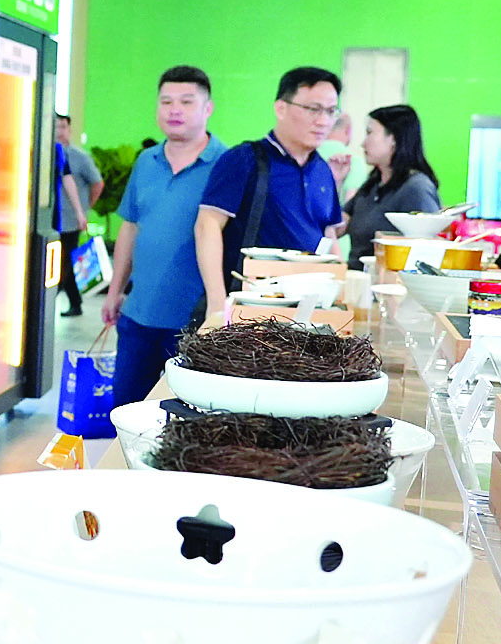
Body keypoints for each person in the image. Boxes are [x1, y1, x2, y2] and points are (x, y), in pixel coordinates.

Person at [101, 65, 221, 405]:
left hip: (194, 321)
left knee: (185, 416)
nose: (174, 110)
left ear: (208, 108)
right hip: (139, 316)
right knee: (126, 410)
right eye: (166, 101)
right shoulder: (146, 160)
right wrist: (114, 291)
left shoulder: (225, 163)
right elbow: (130, 227)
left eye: (186, 101)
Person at [193, 65, 345, 319]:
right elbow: (207, 226)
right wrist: (217, 304)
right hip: (250, 308)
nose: (323, 121)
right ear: (281, 108)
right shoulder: (245, 159)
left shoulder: (323, 170)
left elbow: (328, 234)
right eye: (313, 109)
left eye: (331, 111)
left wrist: (340, 291)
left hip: (308, 310)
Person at [341, 104, 443, 262]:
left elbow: (426, 252)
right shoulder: (373, 184)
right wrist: (336, 181)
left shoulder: (416, 188)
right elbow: (338, 227)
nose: (363, 143)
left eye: (370, 133)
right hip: (356, 273)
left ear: (393, 139)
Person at [53, 114, 105, 317]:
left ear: (70, 130)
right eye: (55, 127)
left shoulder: (79, 157)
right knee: (64, 263)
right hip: (51, 219)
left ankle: (58, 302)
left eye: (62, 127)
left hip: (70, 221)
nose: (59, 131)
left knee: (64, 263)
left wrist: (84, 210)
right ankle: (74, 302)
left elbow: (97, 183)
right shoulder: (48, 153)